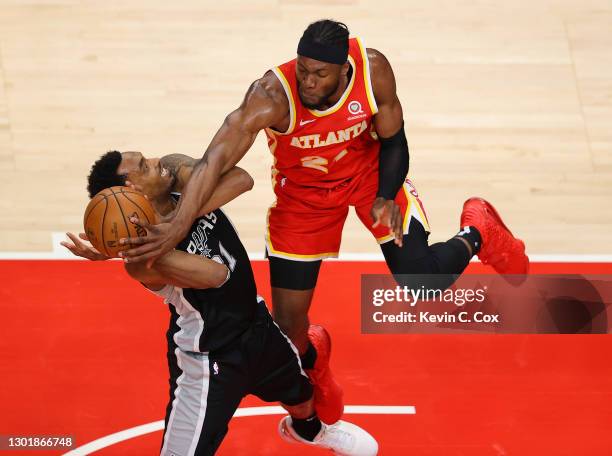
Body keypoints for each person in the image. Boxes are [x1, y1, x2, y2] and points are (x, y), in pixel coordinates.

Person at [118, 19, 530, 425]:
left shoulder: (373, 71)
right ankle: (317, 361)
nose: (308, 82)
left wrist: (387, 195)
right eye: (303, 70)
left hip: (370, 179)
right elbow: (216, 161)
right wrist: (176, 227)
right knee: (289, 330)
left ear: (343, 70)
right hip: (304, 198)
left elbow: (395, 141)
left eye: (320, 74)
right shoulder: (270, 96)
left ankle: (478, 229)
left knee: (421, 279)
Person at [62, 150, 378, 456]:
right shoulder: (143, 261)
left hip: (257, 324)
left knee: (300, 394)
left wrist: (180, 217)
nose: (157, 162)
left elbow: (241, 179)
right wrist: (129, 243)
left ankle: (309, 431)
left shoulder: (176, 174)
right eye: (144, 166)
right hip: (208, 359)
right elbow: (216, 275)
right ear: (130, 195)